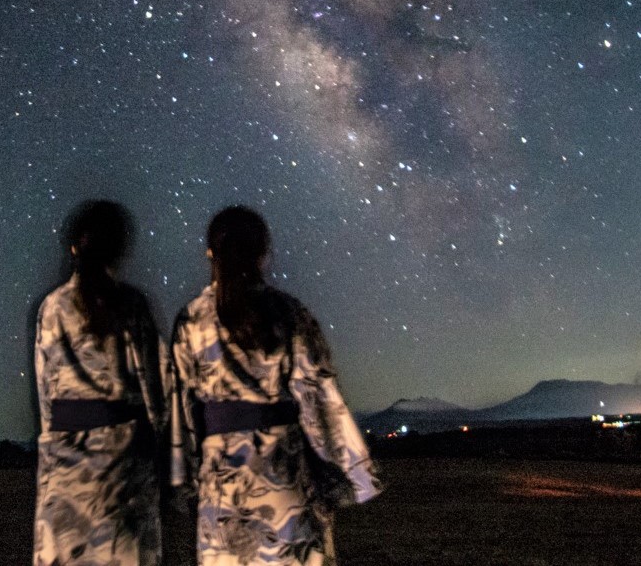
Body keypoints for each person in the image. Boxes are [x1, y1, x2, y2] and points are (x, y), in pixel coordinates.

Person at [171, 206, 381, 566]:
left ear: (211, 253)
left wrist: (183, 478)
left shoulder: (190, 320)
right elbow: (318, 397)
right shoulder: (289, 312)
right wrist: (348, 474)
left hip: (222, 492)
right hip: (285, 481)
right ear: (262, 253)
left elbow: (181, 407)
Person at [33, 200, 168, 566]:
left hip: (66, 463)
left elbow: (47, 392)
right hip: (122, 463)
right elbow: (156, 387)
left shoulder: (51, 308)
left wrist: (54, 442)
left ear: (74, 246)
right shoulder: (132, 305)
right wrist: (161, 444)